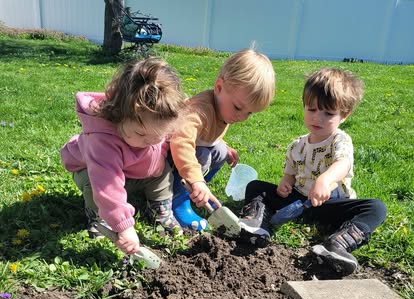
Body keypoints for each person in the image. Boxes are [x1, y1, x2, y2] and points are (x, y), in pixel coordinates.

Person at [239, 68, 387, 275]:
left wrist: (325, 180)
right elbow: (290, 170)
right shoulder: (297, 145)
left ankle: (337, 244)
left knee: (376, 207)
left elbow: (342, 164)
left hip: (332, 206)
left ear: (344, 115)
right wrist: (285, 182)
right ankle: (256, 224)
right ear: (304, 107)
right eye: (312, 109)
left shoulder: (340, 140)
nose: (318, 118)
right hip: (299, 201)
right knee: (256, 187)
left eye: (328, 113)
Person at [61, 57, 186, 255]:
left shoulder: (156, 122)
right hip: (96, 172)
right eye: (141, 134)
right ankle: (99, 217)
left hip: (138, 170)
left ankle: (159, 209)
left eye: (159, 135)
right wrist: (124, 226)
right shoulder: (102, 139)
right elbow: (107, 185)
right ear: (119, 116)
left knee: (163, 171)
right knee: (95, 184)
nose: (152, 141)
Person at [169, 48, 276, 230]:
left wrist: (222, 143)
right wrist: (196, 180)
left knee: (219, 151)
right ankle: (178, 200)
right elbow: (180, 141)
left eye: (249, 113)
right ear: (219, 87)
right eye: (238, 108)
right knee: (203, 155)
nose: (241, 117)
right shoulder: (198, 111)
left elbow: (206, 133)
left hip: (189, 151)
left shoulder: (223, 107)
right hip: (167, 155)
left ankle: (198, 193)